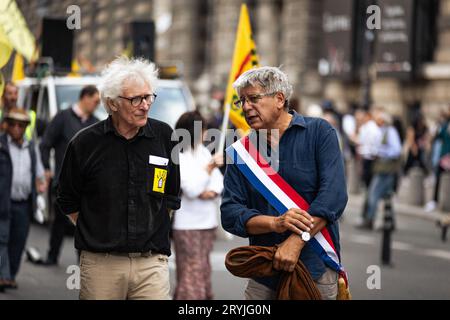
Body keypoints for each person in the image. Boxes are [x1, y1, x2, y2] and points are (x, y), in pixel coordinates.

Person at [56, 57, 181, 300]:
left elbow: (171, 194)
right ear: (112, 104)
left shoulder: (165, 136)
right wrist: (98, 230)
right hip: (102, 264)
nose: (145, 105)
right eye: (136, 99)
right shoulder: (84, 143)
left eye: (148, 97)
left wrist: (152, 230)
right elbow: (66, 197)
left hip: (151, 263)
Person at [220, 67, 348, 300]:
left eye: (254, 98)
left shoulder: (320, 133)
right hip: (263, 275)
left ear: (279, 99)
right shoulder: (240, 154)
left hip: (315, 271)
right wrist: (276, 223)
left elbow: (333, 197)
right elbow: (230, 214)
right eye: (242, 101)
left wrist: (297, 241)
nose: (246, 107)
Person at [33, 85, 100, 266]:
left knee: (84, 223)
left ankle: (83, 262)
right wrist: (46, 168)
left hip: (87, 184)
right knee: (60, 221)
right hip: (63, 180)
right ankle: (52, 256)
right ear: (85, 97)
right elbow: (45, 143)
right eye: (95, 101)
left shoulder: (95, 122)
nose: (97, 105)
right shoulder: (63, 118)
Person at [171, 111, 224, 300]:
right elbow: (191, 188)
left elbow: (218, 182)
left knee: (202, 271)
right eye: (203, 128)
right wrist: (209, 169)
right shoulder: (179, 155)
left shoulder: (202, 151)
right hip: (187, 225)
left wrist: (210, 191)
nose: (206, 132)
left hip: (207, 223)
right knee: (190, 275)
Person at [0, 108, 46, 292]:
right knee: (2, 239)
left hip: (23, 203)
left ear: (26, 126)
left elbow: (39, 174)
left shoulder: (31, 148)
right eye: (13, 124)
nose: (16, 128)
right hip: (3, 201)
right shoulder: (2, 145)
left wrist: (41, 187)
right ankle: (2, 276)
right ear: (7, 125)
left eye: (21, 125)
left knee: (18, 241)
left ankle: (9, 275)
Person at [358, 108, 402, 230]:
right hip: (381, 168)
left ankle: (370, 220)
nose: (376, 121)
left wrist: (380, 152)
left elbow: (396, 150)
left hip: (385, 169)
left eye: (378, 119)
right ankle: (390, 222)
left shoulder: (390, 132)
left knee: (374, 193)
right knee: (387, 195)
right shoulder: (382, 131)